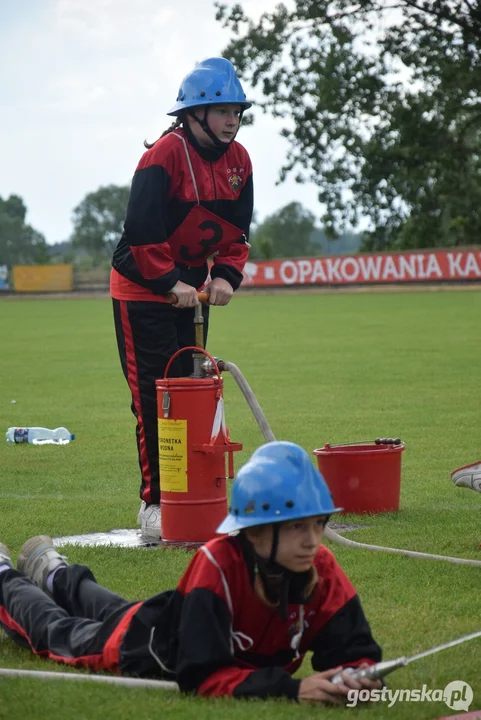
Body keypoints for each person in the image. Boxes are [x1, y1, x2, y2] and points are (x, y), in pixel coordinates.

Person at [0, 442, 382, 704]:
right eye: (298, 527)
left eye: (318, 524)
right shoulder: (217, 564)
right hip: (142, 647)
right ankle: (6, 575)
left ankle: (53, 571)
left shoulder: (320, 568)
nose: (313, 541)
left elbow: (358, 653)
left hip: (165, 616)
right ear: (255, 530)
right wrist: (291, 690)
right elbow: (203, 676)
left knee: (111, 609)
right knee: (56, 633)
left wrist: (360, 677)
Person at [110, 57, 254, 536]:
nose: (232, 119)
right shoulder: (162, 156)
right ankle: (155, 503)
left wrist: (225, 278)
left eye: (237, 110)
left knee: (192, 392)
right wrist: (170, 281)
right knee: (156, 399)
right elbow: (138, 239)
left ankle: (194, 497)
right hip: (141, 290)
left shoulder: (240, 162)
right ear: (192, 115)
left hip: (189, 296)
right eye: (222, 110)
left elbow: (235, 236)